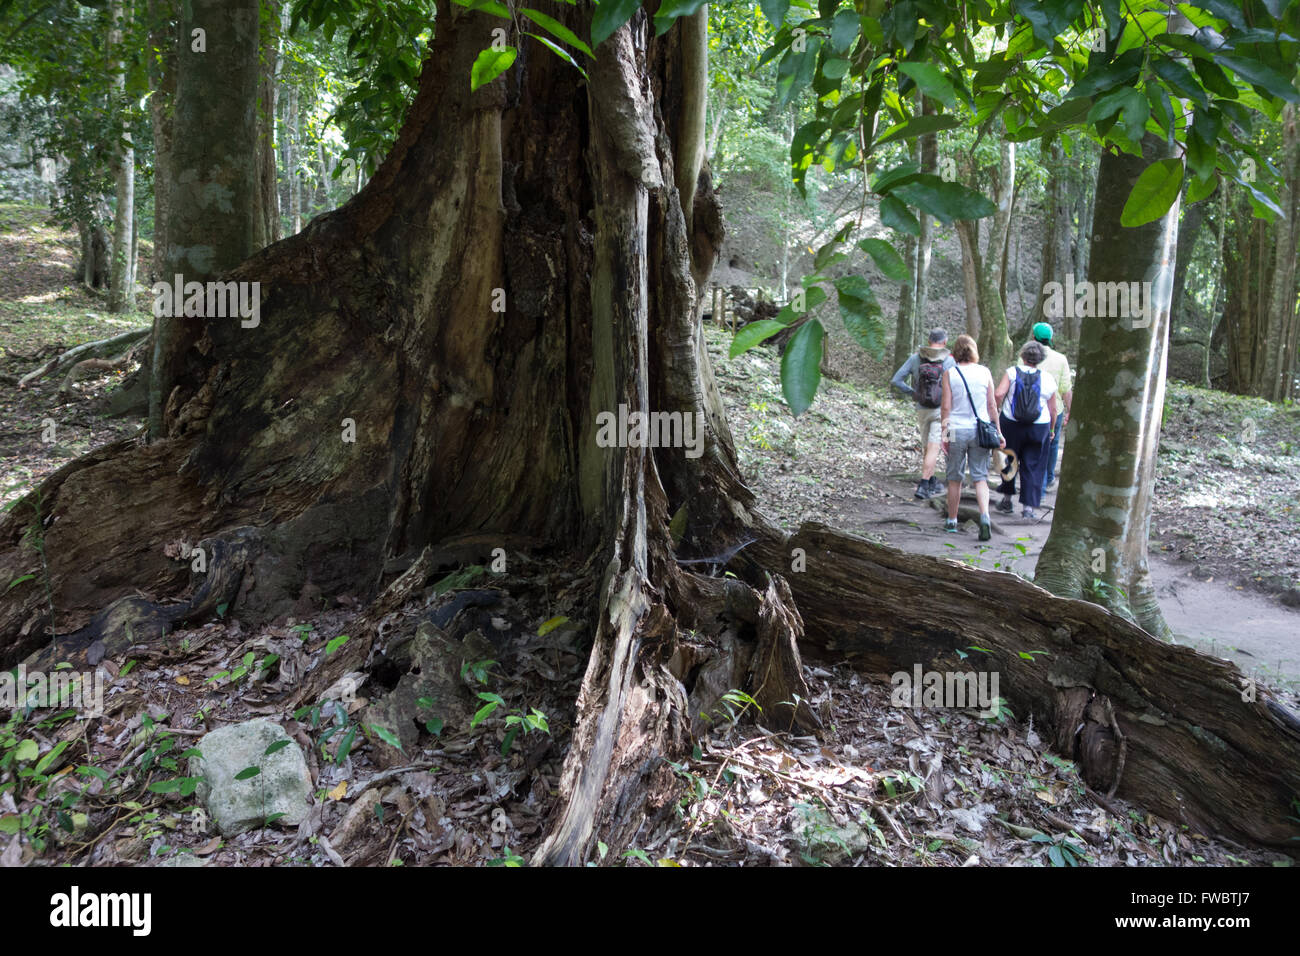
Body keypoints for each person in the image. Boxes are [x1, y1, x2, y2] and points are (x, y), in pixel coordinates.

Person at [940, 334, 1004, 541]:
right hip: (980, 431)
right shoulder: (984, 372)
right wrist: (999, 431)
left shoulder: (950, 373)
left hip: (957, 429)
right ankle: (984, 516)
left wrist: (945, 435)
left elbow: (946, 407)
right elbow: (992, 405)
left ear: (956, 352)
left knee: (954, 477)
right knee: (980, 477)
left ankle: (951, 520)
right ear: (974, 351)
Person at [993, 341, 1058, 520]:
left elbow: (998, 394)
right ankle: (1028, 508)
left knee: (1008, 460)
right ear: (1040, 359)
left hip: (1011, 424)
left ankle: (1006, 500)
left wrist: (996, 413)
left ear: (1022, 356)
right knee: (1034, 465)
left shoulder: (1012, 372)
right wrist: (1051, 429)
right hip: (1039, 427)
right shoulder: (1048, 378)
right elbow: (1053, 409)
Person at [890, 328, 956, 499]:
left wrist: (913, 393)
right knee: (937, 447)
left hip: (922, 409)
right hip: (944, 410)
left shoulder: (916, 358)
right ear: (945, 342)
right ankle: (924, 485)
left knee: (927, 447)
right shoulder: (949, 361)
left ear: (928, 340)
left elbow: (896, 380)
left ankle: (932, 480)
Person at [1031, 322, 1073, 495]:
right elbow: (1066, 388)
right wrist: (1071, 410)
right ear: (1051, 339)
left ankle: (1034, 479)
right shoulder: (1061, 359)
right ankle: (1048, 478)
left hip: (1031, 408)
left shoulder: (1027, 355)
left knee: (1032, 444)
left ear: (1034, 338)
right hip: (1054, 408)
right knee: (1052, 443)